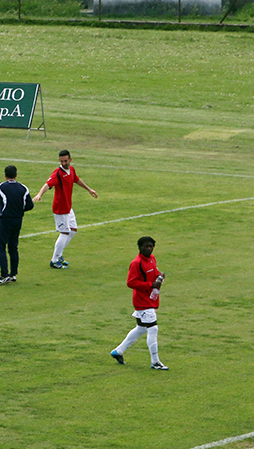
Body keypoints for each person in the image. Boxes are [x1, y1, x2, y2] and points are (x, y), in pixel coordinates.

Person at [110, 236, 168, 371]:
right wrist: (150, 284)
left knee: (141, 328)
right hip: (142, 301)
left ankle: (118, 351)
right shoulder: (136, 263)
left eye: (151, 246)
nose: (149, 249)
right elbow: (131, 282)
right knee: (153, 329)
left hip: (150, 299)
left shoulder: (152, 259)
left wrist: (159, 276)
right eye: (146, 246)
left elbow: (153, 272)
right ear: (140, 247)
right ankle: (155, 362)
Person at [32, 150, 98, 269]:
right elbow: (48, 184)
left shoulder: (71, 169)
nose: (63, 163)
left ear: (70, 160)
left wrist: (89, 189)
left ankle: (59, 254)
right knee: (64, 232)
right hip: (60, 208)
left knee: (73, 230)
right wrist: (39, 194)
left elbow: (76, 179)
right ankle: (54, 260)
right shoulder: (57, 173)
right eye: (61, 161)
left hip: (68, 207)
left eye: (65, 161)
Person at [0, 165, 34, 285]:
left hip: (5, 220)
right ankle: (13, 274)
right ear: (16, 175)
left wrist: (0, 211)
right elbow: (29, 205)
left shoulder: (0, 187)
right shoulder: (23, 188)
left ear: (5, 175)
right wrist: (18, 211)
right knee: (13, 246)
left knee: (0, 246)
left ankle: (4, 274)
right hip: (18, 220)